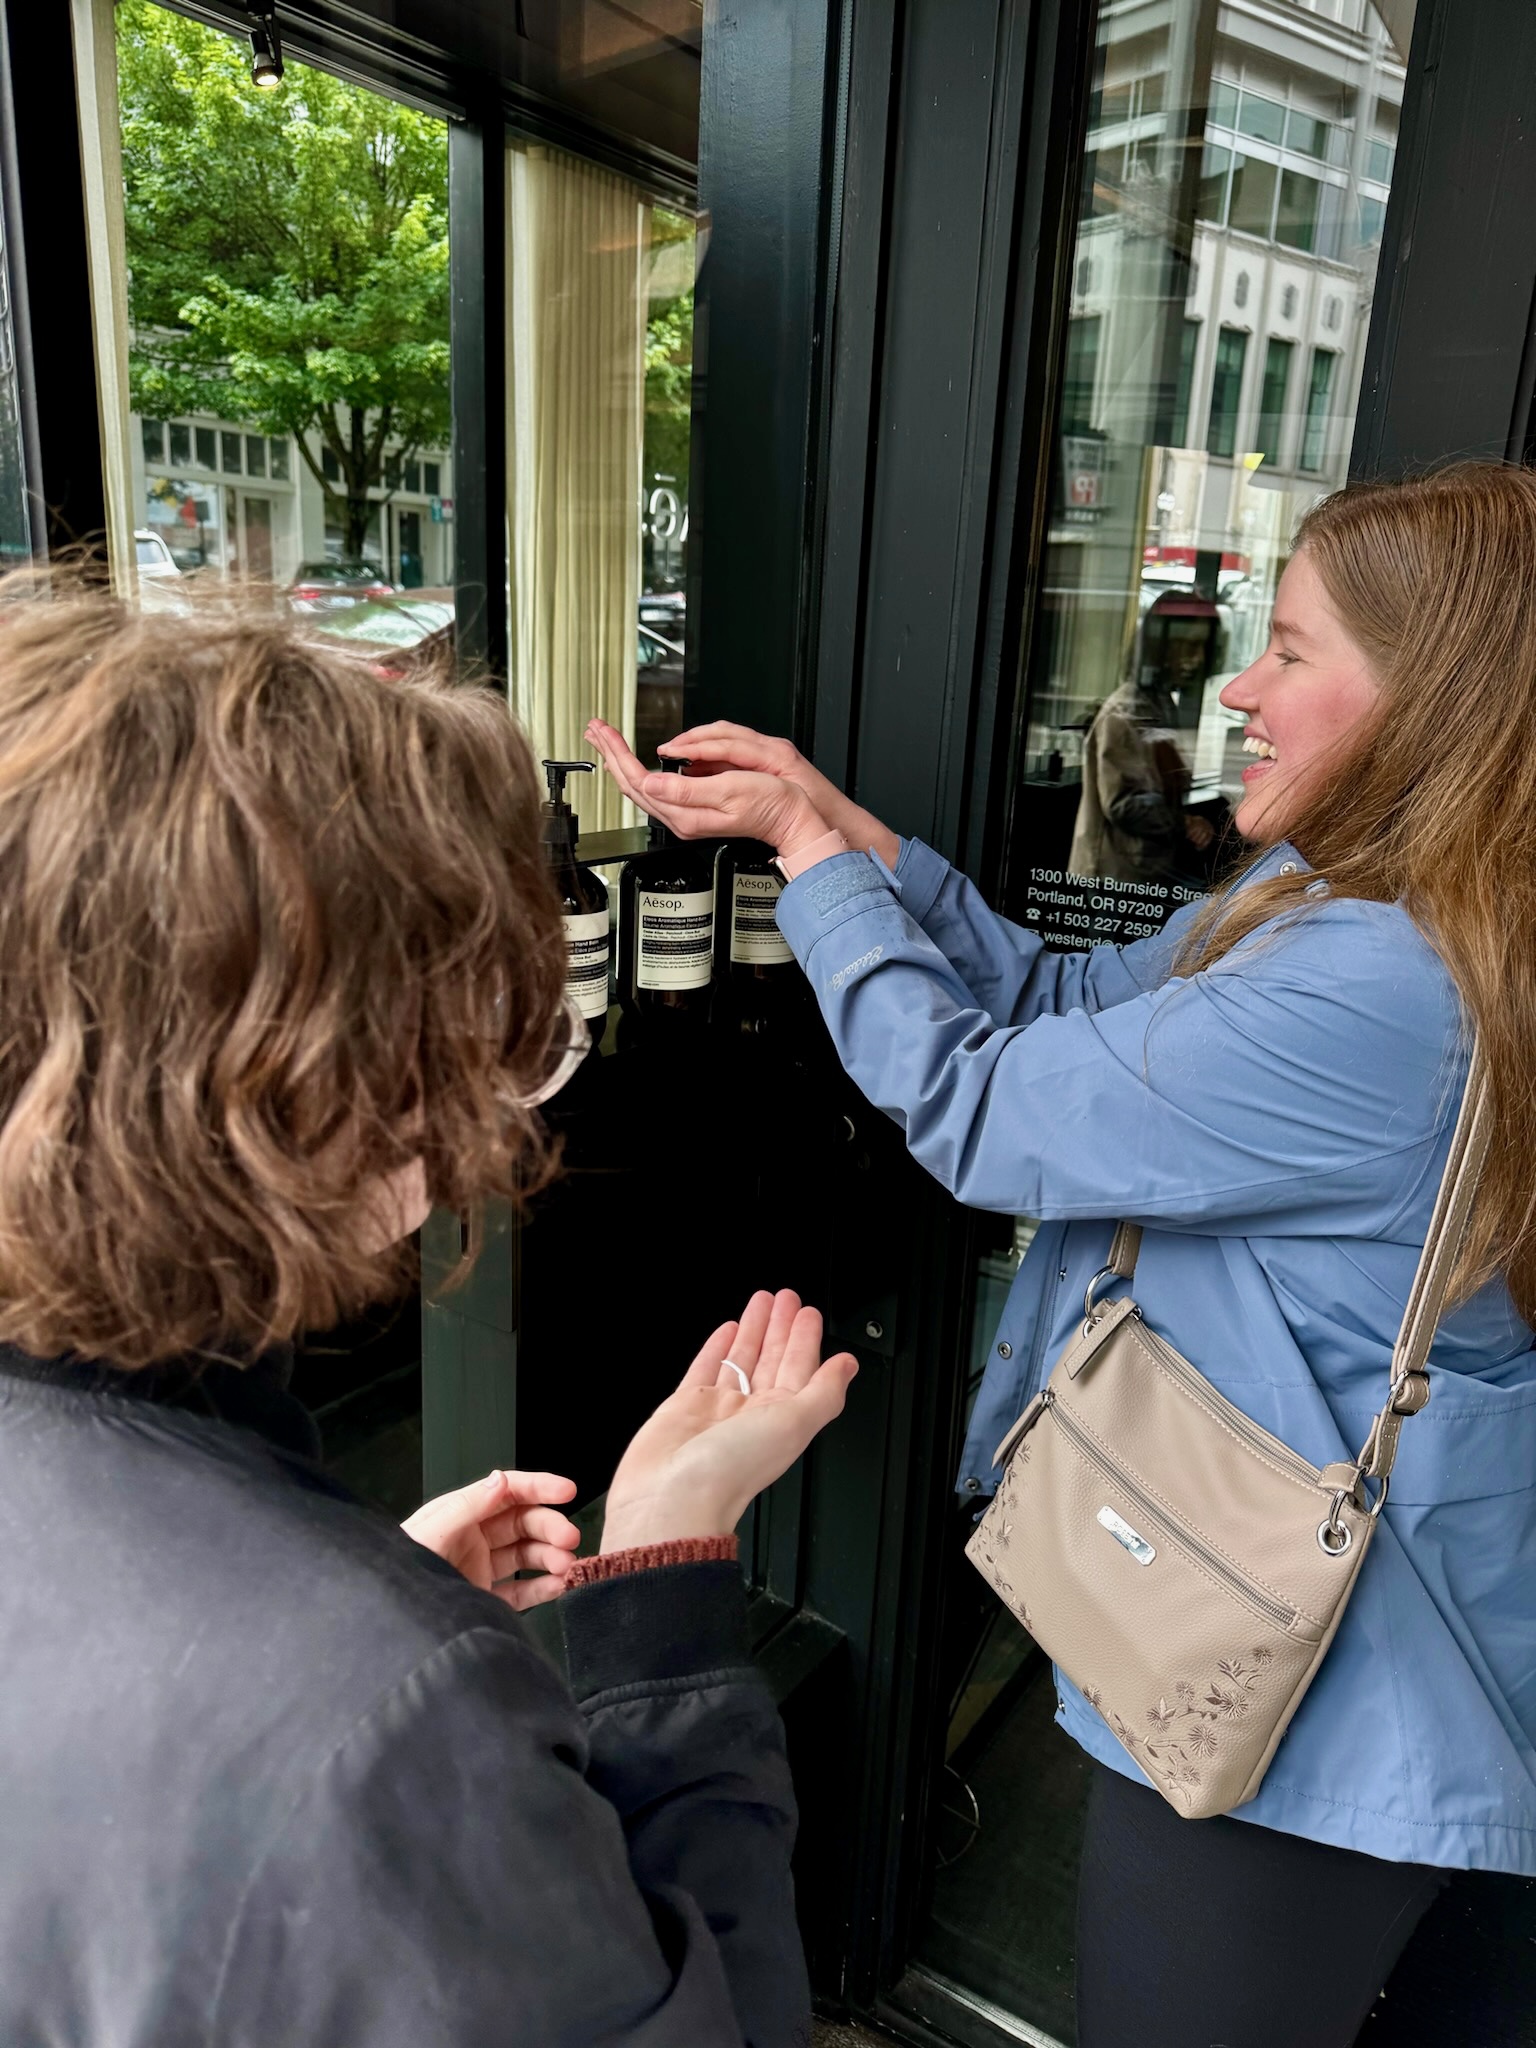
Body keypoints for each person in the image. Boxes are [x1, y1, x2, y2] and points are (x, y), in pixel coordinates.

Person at [586, 462, 1536, 2048]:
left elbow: (975, 1101)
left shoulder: (1388, 986)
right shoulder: (1353, 897)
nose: (1243, 686)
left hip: (1311, 1699)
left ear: (1434, 695)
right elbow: (1059, 1004)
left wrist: (808, 870)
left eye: (1291, 651)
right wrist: (834, 832)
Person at [0, 590, 857, 2047]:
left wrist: (329, 1585)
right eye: (469, 1016)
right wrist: (654, 1581)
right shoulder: (381, 1722)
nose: (497, 1085)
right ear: (300, 1087)